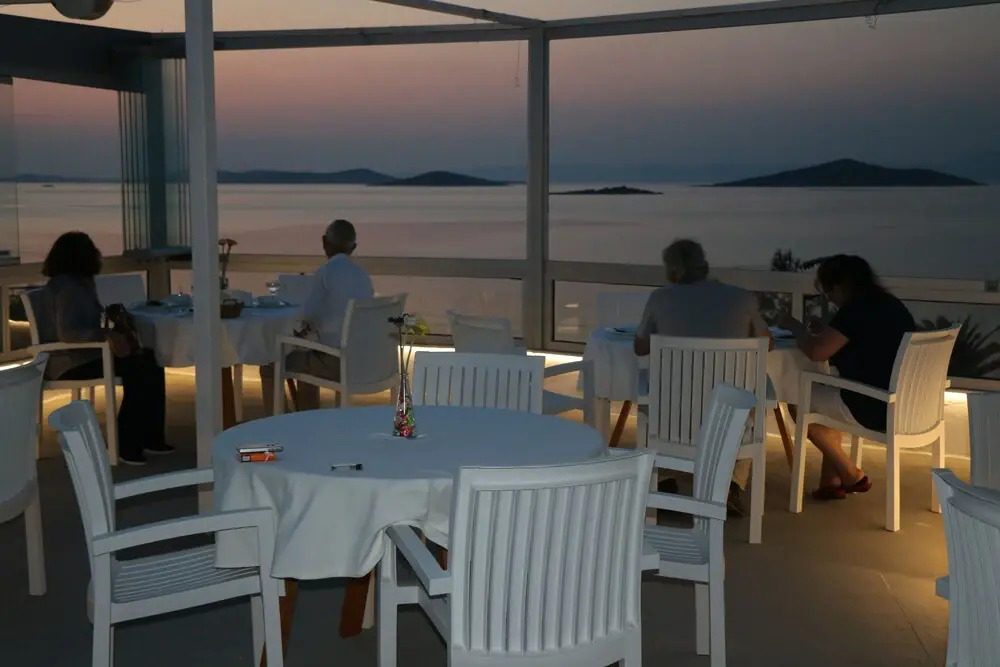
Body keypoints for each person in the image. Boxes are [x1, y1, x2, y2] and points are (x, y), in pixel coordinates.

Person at [634, 239, 773, 516]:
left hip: (675, 417)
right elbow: (767, 343)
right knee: (753, 401)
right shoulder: (740, 298)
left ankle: (665, 481)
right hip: (728, 416)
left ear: (672, 271)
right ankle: (732, 485)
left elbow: (640, 347)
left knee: (654, 400)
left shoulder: (661, 298)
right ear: (705, 266)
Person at [780, 254, 916, 500]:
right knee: (825, 398)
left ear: (841, 285)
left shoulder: (855, 309)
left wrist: (796, 328)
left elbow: (817, 352)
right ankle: (831, 482)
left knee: (798, 398)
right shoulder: (890, 305)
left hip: (873, 406)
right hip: (907, 405)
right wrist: (826, 331)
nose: (828, 297)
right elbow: (865, 340)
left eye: (828, 290)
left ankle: (851, 474)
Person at [38, 231, 170, 466]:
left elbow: (87, 321)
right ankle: (127, 443)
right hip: (71, 362)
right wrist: (107, 335)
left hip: (84, 355)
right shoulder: (69, 289)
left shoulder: (77, 284)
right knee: (140, 367)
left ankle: (151, 437)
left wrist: (111, 319)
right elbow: (69, 333)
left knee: (149, 359)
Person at [260, 219, 374, 413]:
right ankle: (306, 418)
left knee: (270, 363)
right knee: (308, 355)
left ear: (324, 242)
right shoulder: (363, 276)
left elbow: (308, 315)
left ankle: (278, 423)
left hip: (337, 363)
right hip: (365, 361)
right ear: (353, 248)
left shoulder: (325, 273)